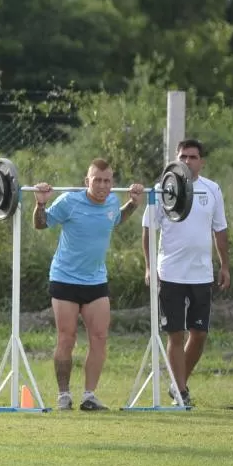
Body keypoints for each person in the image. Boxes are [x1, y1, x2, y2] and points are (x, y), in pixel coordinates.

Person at [33, 159, 144, 411]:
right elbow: (40, 224)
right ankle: (64, 395)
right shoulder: (69, 202)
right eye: (97, 180)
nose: (103, 185)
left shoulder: (113, 202)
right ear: (87, 181)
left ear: (112, 183)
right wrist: (41, 202)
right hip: (65, 279)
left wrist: (133, 204)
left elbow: (114, 220)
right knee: (67, 337)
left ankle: (89, 396)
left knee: (100, 337)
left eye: (107, 181)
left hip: (96, 281)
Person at [141, 139, 229, 406]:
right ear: (177, 159)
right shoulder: (163, 189)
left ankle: (177, 384)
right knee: (175, 333)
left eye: (193, 157)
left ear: (201, 161)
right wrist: (148, 266)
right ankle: (181, 392)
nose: (188, 161)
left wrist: (224, 265)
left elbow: (220, 229)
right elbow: (148, 230)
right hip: (170, 273)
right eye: (183, 156)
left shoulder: (212, 189)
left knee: (199, 334)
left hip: (202, 274)